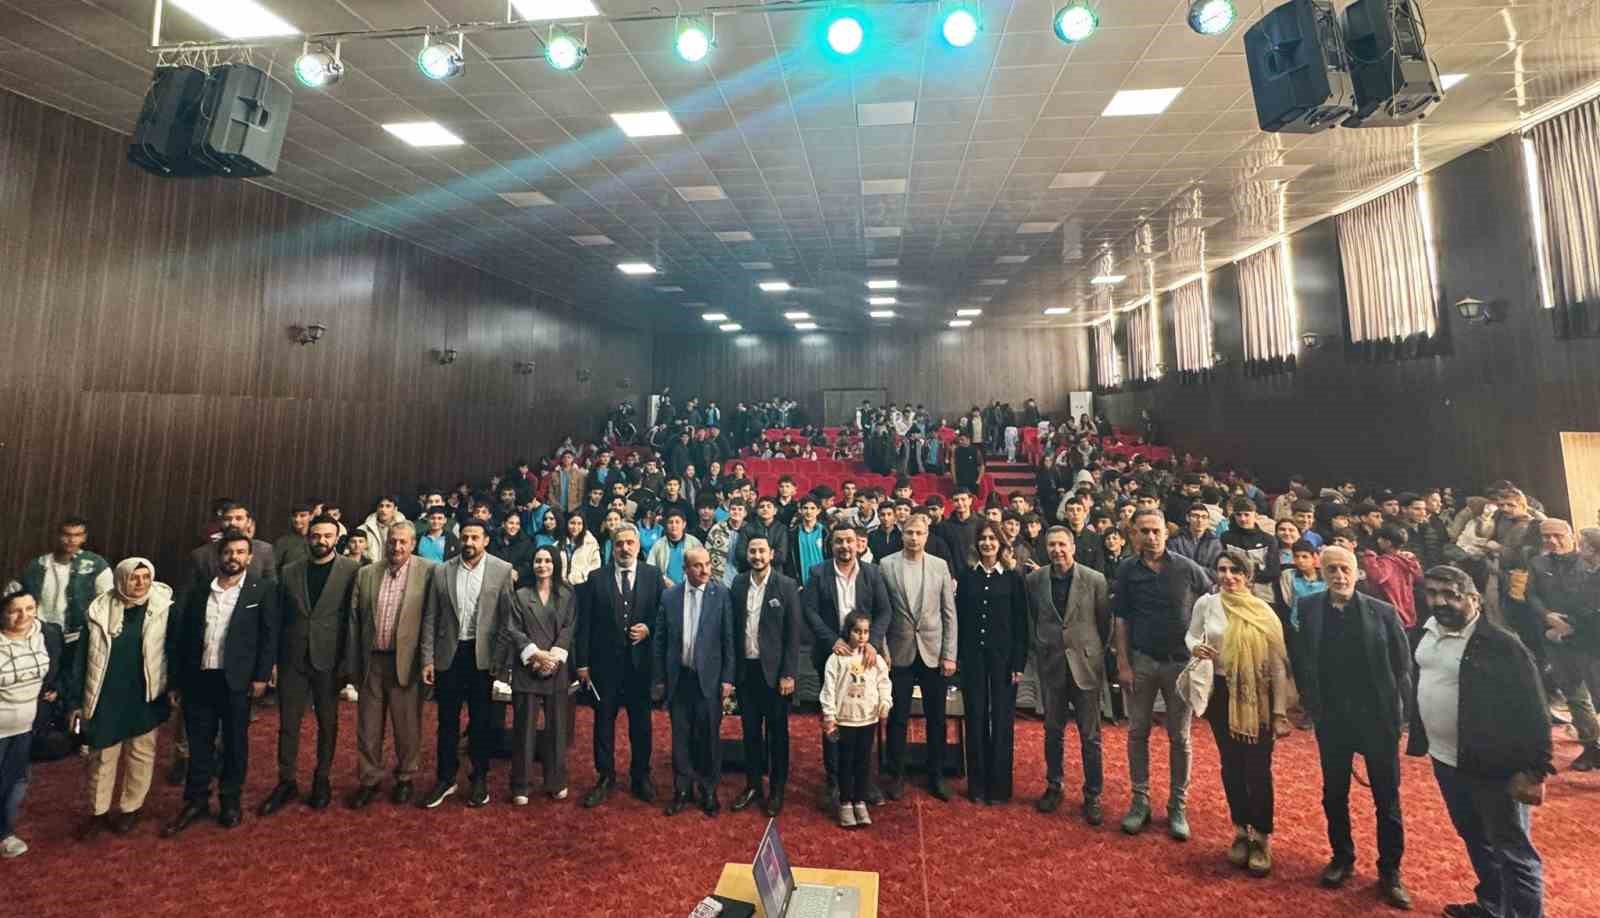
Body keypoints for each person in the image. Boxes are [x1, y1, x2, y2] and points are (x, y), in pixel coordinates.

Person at [1411, 564, 1553, 918]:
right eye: (1433, 593)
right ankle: (1492, 905)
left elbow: (1534, 709)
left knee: (1513, 852)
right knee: (1475, 836)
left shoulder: (1502, 644)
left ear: (1474, 598)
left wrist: (1535, 771)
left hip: (1494, 766)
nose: (1440, 602)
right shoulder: (1426, 632)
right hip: (1445, 759)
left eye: (1451, 595)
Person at [1290, 545, 1413, 909]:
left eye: (1345, 569)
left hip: (1377, 718)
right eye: (1332, 570)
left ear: (1357, 572)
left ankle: (1390, 871)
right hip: (1332, 719)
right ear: (1322, 572)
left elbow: (1402, 667)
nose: (1339, 576)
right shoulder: (1308, 608)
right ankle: (1342, 858)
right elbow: (1302, 658)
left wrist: (1399, 718)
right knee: (1334, 794)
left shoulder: (1383, 612)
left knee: (1387, 799)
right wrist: (1312, 703)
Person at [163, 530, 280, 836]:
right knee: (198, 744)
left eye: (240, 552)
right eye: (228, 552)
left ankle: (230, 801)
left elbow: (269, 636)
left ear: (249, 557)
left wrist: (261, 676)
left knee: (234, 744)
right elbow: (181, 638)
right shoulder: (200, 589)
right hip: (199, 678)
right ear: (219, 556)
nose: (234, 558)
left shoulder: (262, 590)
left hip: (237, 680)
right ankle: (196, 800)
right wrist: (175, 681)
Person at [1187, 549, 1293, 877]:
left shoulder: (1263, 611)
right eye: (1222, 570)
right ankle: (1240, 831)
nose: (1228, 576)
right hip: (1221, 694)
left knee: (1257, 768)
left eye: (1235, 570)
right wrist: (1194, 647)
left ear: (1248, 575)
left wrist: (1279, 712)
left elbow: (1278, 665)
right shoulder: (1207, 604)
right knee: (1231, 765)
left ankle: (1261, 837)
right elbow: (1191, 633)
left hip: (1257, 696)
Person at [1113, 509, 1211, 840]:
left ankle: (1177, 806)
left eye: (1156, 531)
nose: (1151, 537)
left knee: (1180, 738)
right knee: (1137, 732)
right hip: (1141, 661)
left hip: (1180, 665)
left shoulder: (1187, 568)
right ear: (1134, 534)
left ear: (1166, 533)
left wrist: (1203, 651)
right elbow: (1121, 619)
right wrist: (1123, 664)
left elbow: (1212, 606)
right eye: (1144, 531)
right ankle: (1139, 801)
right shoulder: (1127, 570)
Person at [65, 559, 172, 839]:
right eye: (133, 577)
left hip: (144, 694)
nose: (140, 583)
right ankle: (98, 812)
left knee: (141, 753)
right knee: (102, 756)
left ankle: (131, 808)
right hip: (106, 695)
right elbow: (82, 659)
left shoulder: (163, 607)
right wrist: (75, 701)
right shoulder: (98, 610)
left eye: (145, 577)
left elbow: (172, 649)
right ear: (120, 579)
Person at [261, 515, 356, 816]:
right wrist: (272, 661)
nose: (321, 541)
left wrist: (348, 662)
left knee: (328, 723)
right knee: (288, 723)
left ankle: (322, 778)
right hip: (292, 658)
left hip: (330, 659)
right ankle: (286, 780)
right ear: (307, 538)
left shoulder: (352, 570)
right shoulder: (289, 571)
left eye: (327, 536)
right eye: (316, 536)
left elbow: (353, 620)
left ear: (337, 538)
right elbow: (277, 618)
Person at [420, 519, 515, 809]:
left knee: (481, 720)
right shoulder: (442, 570)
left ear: (486, 540)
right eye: (465, 537)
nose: (469, 542)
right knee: (447, 720)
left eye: (475, 537)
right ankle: (445, 778)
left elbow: (507, 620)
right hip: (449, 654)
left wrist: (500, 659)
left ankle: (479, 777)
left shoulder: (501, 570)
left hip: (482, 655)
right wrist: (427, 658)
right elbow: (431, 616)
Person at [802, 524, 892, 810]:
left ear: (858, 544)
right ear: (832, 545)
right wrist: (833, 641)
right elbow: (809, 611)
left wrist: (873, 643)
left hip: (865, 657)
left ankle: (863, 782)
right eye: (839, 541)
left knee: (865, 718)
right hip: (833, 656)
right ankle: (835, 781)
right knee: (834, 717)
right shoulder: (818, 573)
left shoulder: (872, 573)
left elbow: (885, 611)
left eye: (849, 541)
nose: (845, 546)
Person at [346, 521, 436, 809]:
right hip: (371, 661)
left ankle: (405, 777)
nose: (397, 547)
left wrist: (428, 660)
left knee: (406, 726)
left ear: (413, 544)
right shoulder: (366, 573)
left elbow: (431, 620)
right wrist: (352, 663)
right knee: (368, 726)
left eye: (403, 542)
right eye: (393, 541)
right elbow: (354, 621)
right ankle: (369, 779)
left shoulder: (428, 572)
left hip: (406, 661)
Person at [576, 523, 665, 807]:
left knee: (641, 723)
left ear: (638, 546)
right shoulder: (596, 578)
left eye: (630, 543)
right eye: (619, 544)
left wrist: (649, 629)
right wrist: (582, 663)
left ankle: (641, 776)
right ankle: (605, 776)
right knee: (603, 722)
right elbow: (584, 623)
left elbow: (663, 615)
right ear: (612, 548)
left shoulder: (653, 575)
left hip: (640, 665)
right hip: (605, 666)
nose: (624, 548)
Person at [1026, 526, 1111, 824]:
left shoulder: (1095, 579)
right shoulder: (1034, 580)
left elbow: (1105, 623)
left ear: (1073, 547)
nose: (1057, 550)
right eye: (1052, 545)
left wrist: (1092, 653)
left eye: (1062, 544)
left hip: (1085, 666)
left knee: (1091, 735)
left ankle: (1093, 794)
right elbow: (1033, 618)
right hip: (1051, 664)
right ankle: (1054, 785)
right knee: (1052, 731)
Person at [879, 514, 957, 802]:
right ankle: (897, 774)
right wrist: (883, 652)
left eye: (919, 533)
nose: (914, 537)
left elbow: (949, 613)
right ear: (902, 533)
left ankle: (936, 775)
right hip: (898, 652)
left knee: (936, 718)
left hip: (933, 653)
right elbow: (881, 612)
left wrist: (949, 654)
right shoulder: (886, 565)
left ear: (927, 535)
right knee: (897, 717)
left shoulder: (939, 566)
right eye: (910, 532)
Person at [654, 547, 735, 816]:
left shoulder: (721, 594)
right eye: (698, 566)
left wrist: (727, 678)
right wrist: (660, 678)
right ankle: (682, 789)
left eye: (707, 564)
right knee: (680, 736)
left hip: (709, 678)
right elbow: (660, 640)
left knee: (708, 736)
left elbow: (728, 639)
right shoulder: (669, 596)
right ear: (685, 569)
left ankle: (708, 789)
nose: (705, 570)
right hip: (679, 677)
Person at [956, 519, 1029, 804]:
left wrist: (1018, 664)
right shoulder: (967, 576)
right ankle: (977, 785)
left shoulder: (1013, 578)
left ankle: (999, 787)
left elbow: (1021, 623)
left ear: (1001, 543)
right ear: (977, 543)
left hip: (1004, 658)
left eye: (992, 539)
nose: (987, 543)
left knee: (1001, 719)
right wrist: (959, 656)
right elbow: (960, 618)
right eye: (983, 539)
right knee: (974, 716)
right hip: (973, 656)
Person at [730, 535, 801, 817]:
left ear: (771, 554)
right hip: (746, 671)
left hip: (774, 674)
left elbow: (793, 634)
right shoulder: (738, 583)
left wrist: (789, 674)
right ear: (746, 554)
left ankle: (777, 789)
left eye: (761, 551)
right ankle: (753, 785)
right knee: (750, 732)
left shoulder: (786, 585)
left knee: (777, 733)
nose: (757, 556)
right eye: (752, 551)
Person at [500, 545, 577, 803]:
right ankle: (520, 785)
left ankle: (556, 781)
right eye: (537, 561)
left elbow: (569, 627)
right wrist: (535, 655)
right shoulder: (520, 595)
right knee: (524, 730)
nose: (542, 565)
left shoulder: (567, 594)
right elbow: (513, 629)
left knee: (557, 729)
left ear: (555, 564)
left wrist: (552, 657)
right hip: (528, 668)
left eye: (547, 561)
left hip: (556, 668)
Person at [1526, 519, 1600, 770]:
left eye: (1558, 535)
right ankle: (1591, 746)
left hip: (1587, 639)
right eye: (1546, 536)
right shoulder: (1537, 563)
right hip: (1554, 638)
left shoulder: (1588, 561)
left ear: (1571, 536)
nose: (1552, 541)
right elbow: (1531, 594)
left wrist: (1570, 626)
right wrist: (1547, 615)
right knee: (1573, 693)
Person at [8, 517, 112, 684]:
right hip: (39, 636)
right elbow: (10, 597)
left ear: (84, 537)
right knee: (42, 682)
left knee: (71, 684)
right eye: (66, 534)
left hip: (78, 637)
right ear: (57, 535)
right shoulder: (36, 566)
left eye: (77, 535)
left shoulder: (96, 565)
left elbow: (107, 602)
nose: (71, 540)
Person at [819, 610, 892, 829]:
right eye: (857, 631)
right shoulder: (836, 659)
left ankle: (860, 801)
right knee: (846, 762)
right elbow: (829, 689)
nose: (862, 636)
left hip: (867, 719)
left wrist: (884, 703)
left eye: (866, 632)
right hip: (845, 719)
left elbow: (884, 682)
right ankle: (845, 803)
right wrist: (829, 715)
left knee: (863, 761)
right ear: (848, 632)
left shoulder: (874, 658)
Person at [1, 591, 52, 858]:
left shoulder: (42, 634)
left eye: (29, 608)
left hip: (25, 726)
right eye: (15, 610)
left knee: (16, 781)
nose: (24, 616)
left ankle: (5, 833)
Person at [647, 508, 703, 588]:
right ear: (666, 525)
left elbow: (702, 567)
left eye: (677, 522)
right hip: (665, 589)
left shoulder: (694, 543)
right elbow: (650, 568)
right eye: (670, 522)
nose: (674, 525)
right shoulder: (658, 545)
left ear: (684, 524)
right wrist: (663, 579)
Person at [559, 512, 603, 587]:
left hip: (582, 584)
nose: (575, 527)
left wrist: (582, 575)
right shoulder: (559, 543)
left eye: (579, 524)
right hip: (562, 585)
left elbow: (596, 565)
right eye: (572, 523)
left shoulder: (591, 542)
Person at [358, 496, 405, 565]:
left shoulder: (405, 530)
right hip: (371, 569)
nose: (383, 509)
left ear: (395, 509)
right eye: (381, 506)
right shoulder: (363, 529)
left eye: (388, 506)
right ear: (377, 509)